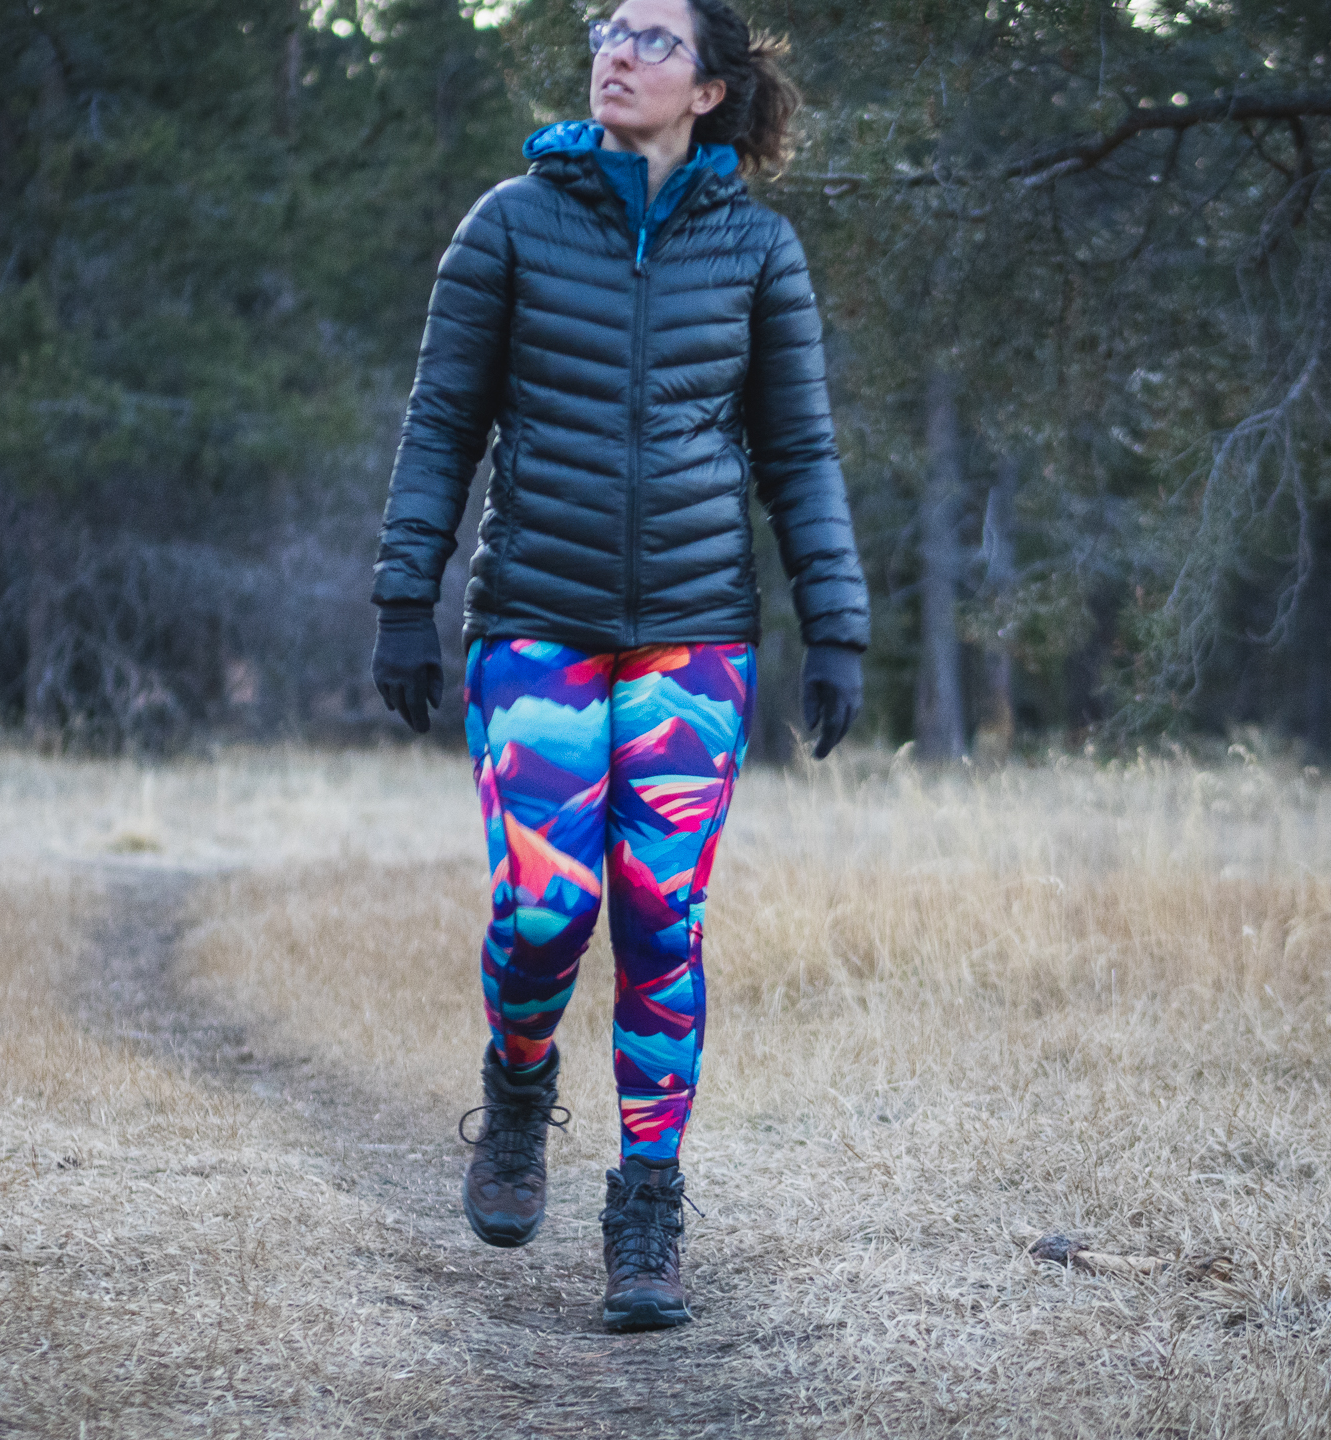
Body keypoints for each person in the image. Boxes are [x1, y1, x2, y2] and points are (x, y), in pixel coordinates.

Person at [369, 0, 869, 1332]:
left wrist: (838, 624)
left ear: (711, 89)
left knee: (661, 921)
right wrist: (401, 599)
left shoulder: (759, 250)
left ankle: (647, 1204)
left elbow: (801, 457)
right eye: (604, 28)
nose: (615, 50)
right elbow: (440, 431)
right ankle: (520, 1087)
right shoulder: (509, 226)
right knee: (545, 908)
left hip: (695, 637)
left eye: (651, 37)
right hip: (534, 622)